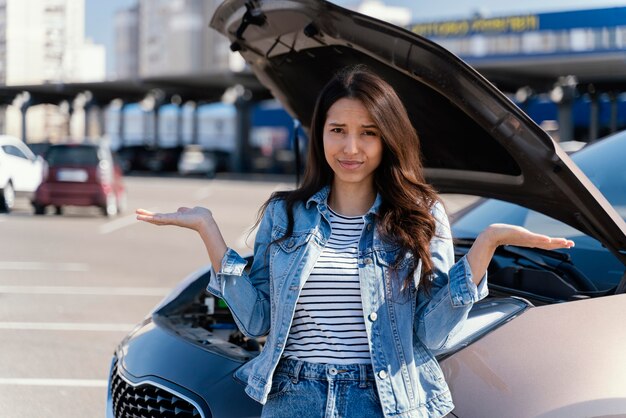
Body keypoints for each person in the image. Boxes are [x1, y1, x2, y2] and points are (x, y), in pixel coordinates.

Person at [136, 65, 574, 418]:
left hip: (384, 400)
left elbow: (432, 334)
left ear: (388, 138)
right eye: (337, 130)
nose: (351, 147)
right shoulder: (284, 213)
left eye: (368, 132)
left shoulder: (420, 215)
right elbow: (255, 323)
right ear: (319, 134)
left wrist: (484, 248)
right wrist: (210, 233)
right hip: (293, 397)